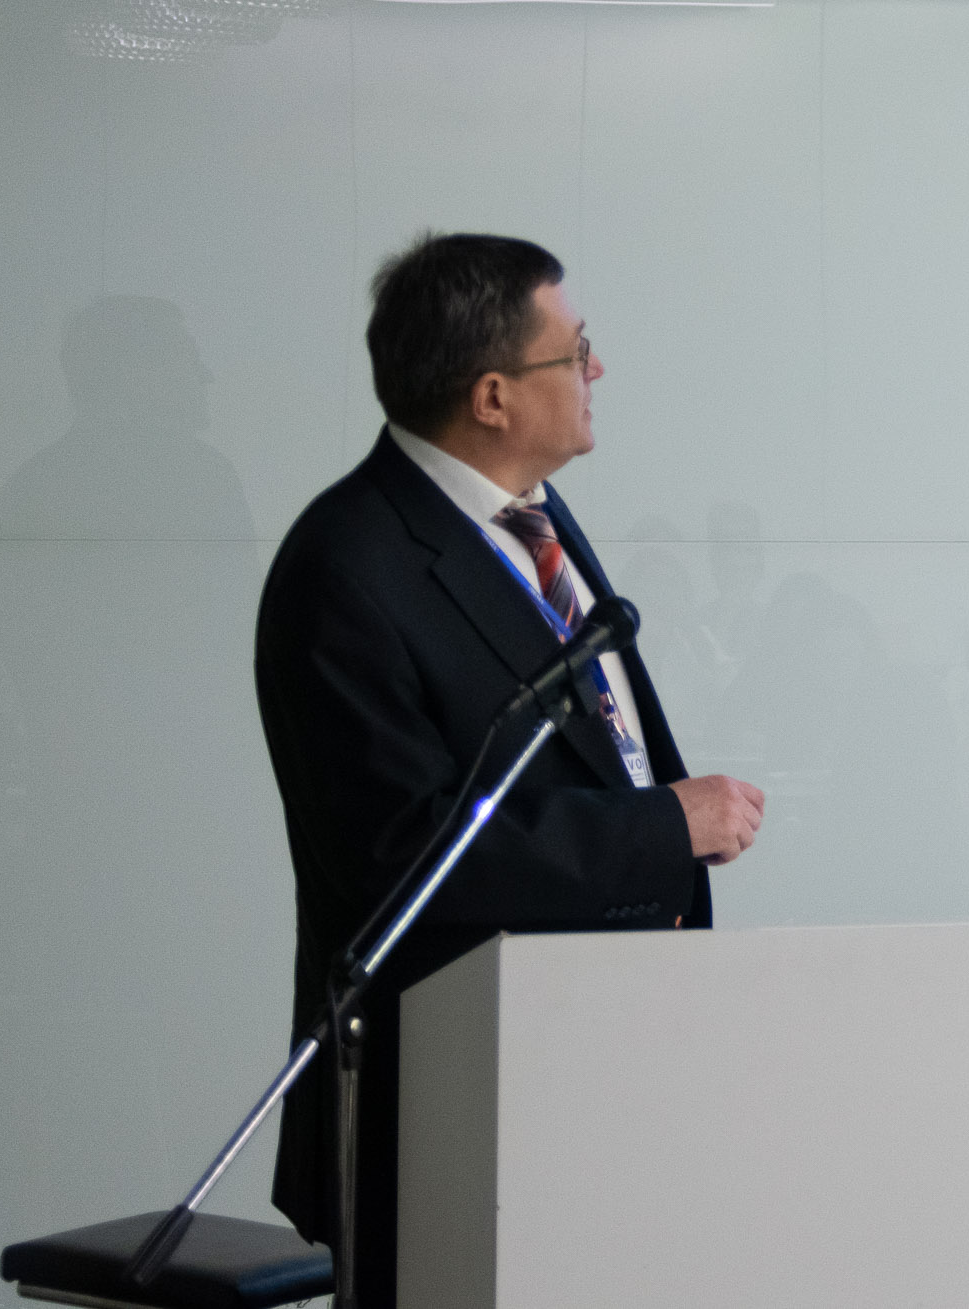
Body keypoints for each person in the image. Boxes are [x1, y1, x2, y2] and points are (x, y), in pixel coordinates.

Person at [255, 233, 767, 1299]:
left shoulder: (531, 514)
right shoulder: (348, 565)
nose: (597, 368)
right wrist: (663, 828)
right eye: (574, 352)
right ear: (492, 395)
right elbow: (400, 853)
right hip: (448, 1109)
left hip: (598, 1073)